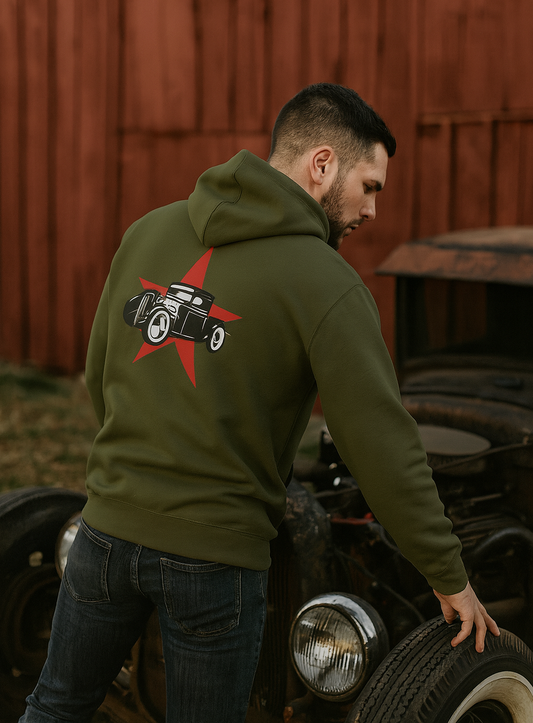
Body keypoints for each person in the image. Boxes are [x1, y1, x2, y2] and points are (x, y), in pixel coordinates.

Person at [20, 84, 499, 723]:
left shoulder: (148, 231)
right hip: (213, 561)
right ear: (322, 164)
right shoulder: (328, 283)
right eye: (371, 186)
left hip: (104, 534)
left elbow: (99, 373)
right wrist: (448, 574)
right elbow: (381, 447)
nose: (373, 210)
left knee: (55, 706)